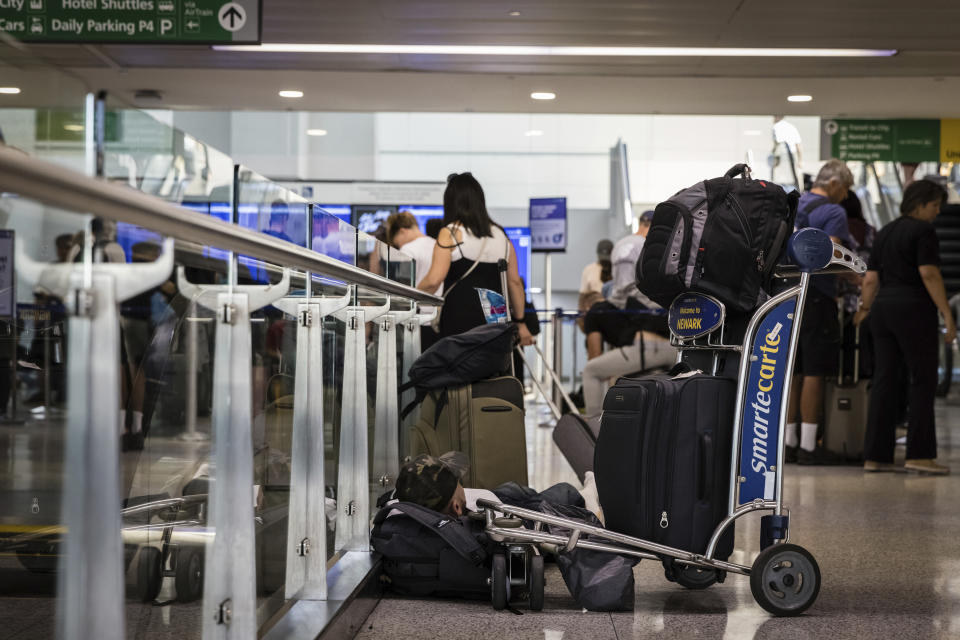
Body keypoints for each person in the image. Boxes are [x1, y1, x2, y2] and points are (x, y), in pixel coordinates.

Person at [856, 180, 953, 475]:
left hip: (883, 310)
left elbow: (870, 278)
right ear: (920, 203)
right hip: (913, 309)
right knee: (922, 379)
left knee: (885, 380)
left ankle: (875, 456)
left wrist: (864, 309)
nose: (937, 212)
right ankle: (920, 455)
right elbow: (929, 274)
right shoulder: (923, 231)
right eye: (935, 205)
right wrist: (947, 314)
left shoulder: (885, 231)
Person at [785, 159, 855, 465]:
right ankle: (810, 447)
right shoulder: (834, 211)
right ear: (836, 184)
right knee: (814, 370)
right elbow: (827, 254)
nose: (847, 196)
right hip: (816, 297)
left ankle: (787, 443)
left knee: (792, 371)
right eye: (847, 189)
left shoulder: (791, 204)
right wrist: (854, 274)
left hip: (784, 296)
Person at [416, 173, 534, 346]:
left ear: (450, 202)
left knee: (459, 369)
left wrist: (411, 296)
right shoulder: (501, 235)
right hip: (495, 321)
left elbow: (434, 280)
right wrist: (521, 322)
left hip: (459, 321)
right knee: (492, 370)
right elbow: (515, 282)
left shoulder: (450, 233)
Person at [580, 211, 676, 417]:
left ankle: (595, 430)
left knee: (591, 371)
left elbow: (625, 289)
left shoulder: (627, 245)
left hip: (649, 345)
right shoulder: (660, 248)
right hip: (670, 340)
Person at [386, 211, 440, 293]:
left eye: (397, 243)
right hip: (438, 303)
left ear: (402, 231)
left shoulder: (407, 250)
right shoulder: (437, 244)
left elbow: (403, 287)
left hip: (418, 303)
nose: (399, 246)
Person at [577, 239, 613, 329]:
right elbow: (582, 297)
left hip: (612, 313)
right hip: (593, 313)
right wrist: (581, 320)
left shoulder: (617, 268)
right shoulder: (589, 269)